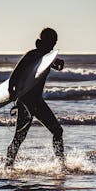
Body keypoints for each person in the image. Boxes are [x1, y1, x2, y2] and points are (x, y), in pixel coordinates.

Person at [5, 27, 65, 168]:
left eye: (55, 42)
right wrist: (12, 92)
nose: (53, 46)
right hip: (26, 102)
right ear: (43, 41)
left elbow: (55, 65)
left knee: (57, 131)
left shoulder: (47, 57)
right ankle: (8, 165)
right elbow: (14, 76)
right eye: (51, 42)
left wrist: (59, 63)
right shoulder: (31, 55)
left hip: (38, 102)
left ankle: (61, 164)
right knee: (19, 137)